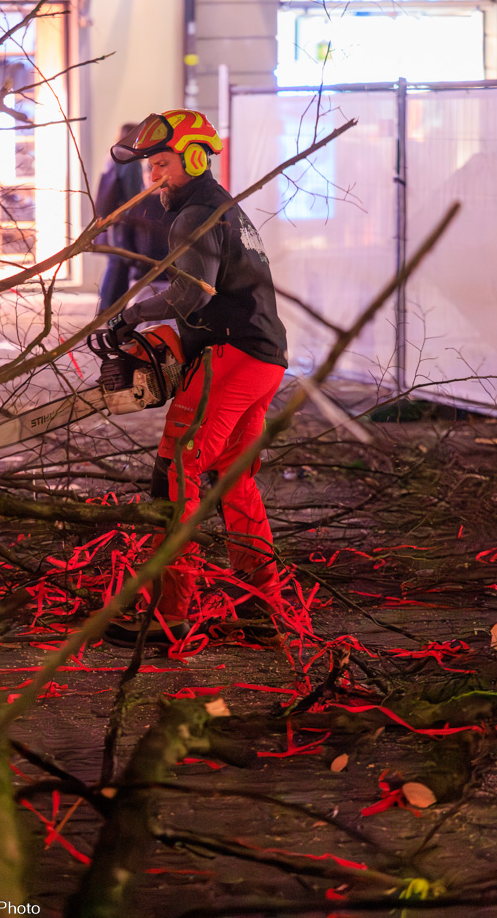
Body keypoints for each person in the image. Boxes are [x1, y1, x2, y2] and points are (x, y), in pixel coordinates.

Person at [103, 109, 288, 645]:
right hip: (264, 358)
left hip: (230, 358)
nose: (153, 178)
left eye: (162, 165)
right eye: (148, 168)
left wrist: (130, 314)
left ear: (194, 157)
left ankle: (169, 616)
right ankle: (262, 610)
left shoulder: (194, 215)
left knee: (176, 474)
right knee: (235, 483)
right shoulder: (221, 206)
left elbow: (192, 294)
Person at [95, 123, 173, 311]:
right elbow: (133, 194)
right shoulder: (129, 161)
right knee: (119, 263)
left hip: (116, 218)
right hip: (126, 219)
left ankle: (107, 307)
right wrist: (140, 210)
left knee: (116, 262)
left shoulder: (114, 156)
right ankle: (111, 309)